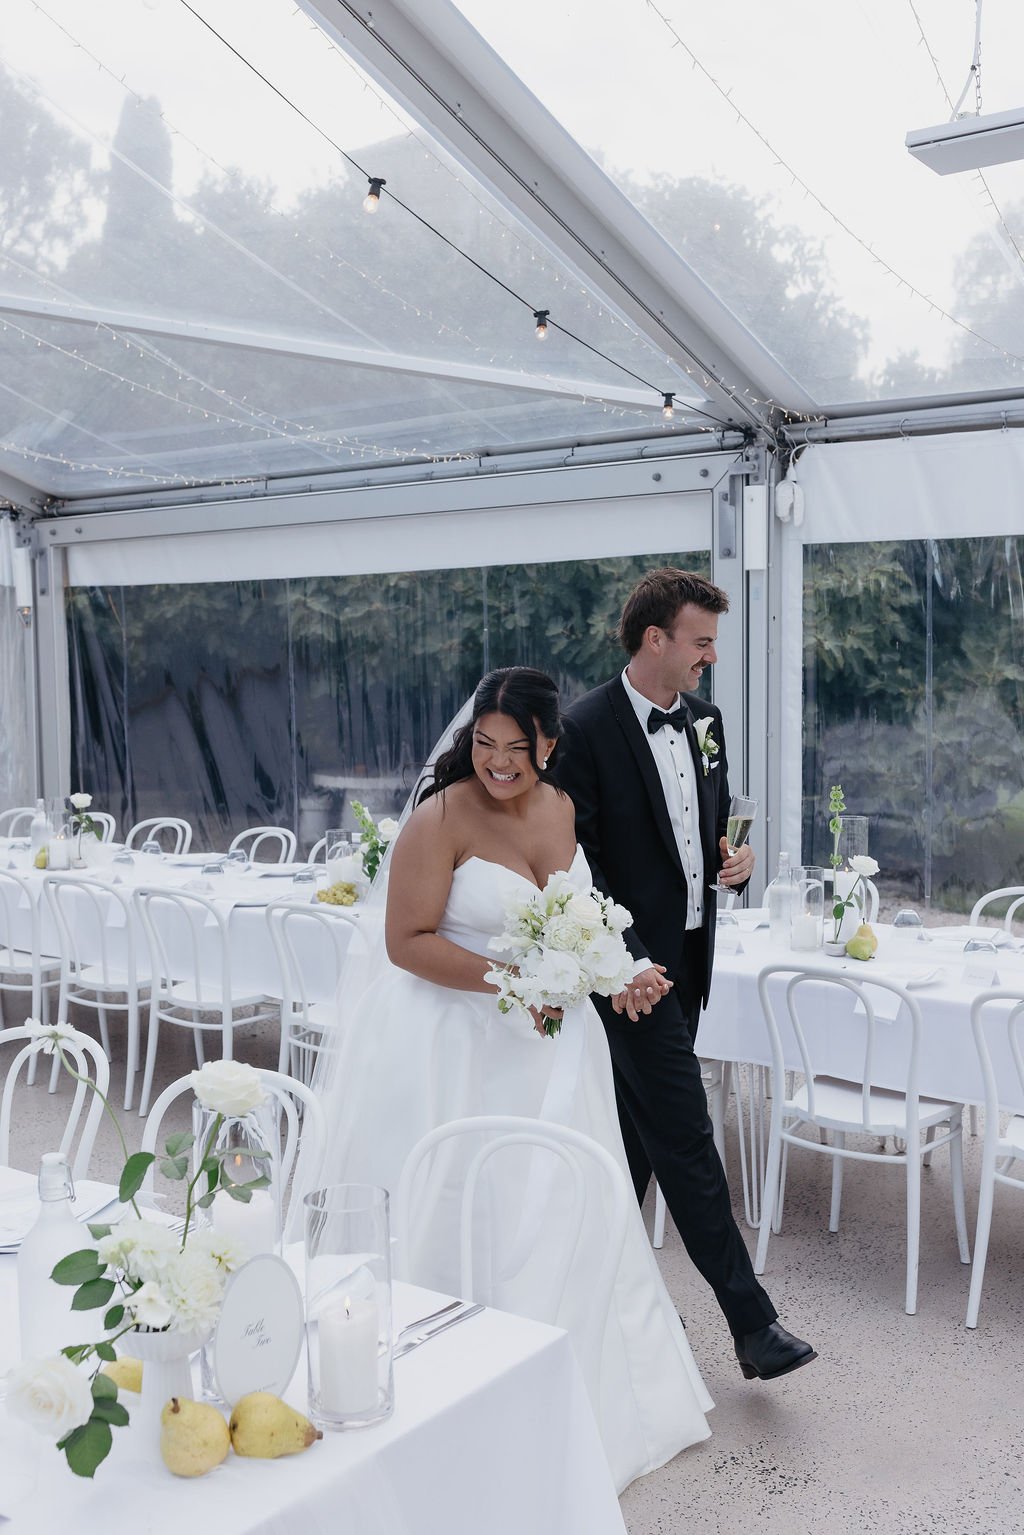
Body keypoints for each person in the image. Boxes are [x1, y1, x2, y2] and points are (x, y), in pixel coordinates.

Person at [304, 666, 714, 1492]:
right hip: (447, 1046)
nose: (497, 763)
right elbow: (406, 940)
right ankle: (438, 1397)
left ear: (549, 747)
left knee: (558, 1208)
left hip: (552, 1048)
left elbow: (576, 920)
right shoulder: (442, 815)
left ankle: (558, 1398)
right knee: (458, 1207)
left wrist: (620, 974)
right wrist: (511, 984)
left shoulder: (562, 810)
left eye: (516, 750)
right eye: (485, 745)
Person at [557, 568, 817, 1383]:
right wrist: (626, 960)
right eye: (700, 641)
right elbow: (579, 864)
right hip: (631, 977)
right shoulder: (584, 728)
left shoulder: (706, 722)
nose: (710, 656)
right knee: (688, 1139)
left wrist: (729, 862)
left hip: (693, 964)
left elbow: (700, 836)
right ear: (654, 639)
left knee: (637, 1142)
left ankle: (590, 1296)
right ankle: (753, 1323)